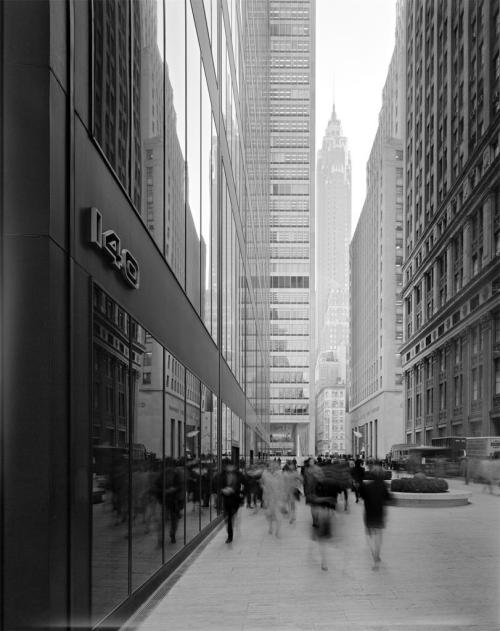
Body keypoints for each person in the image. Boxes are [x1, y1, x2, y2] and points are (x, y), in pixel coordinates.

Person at [359, 465, 392, 570]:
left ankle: (374, 555)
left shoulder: (366, 486)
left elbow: (362, 497)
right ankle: (376, 557)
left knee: (369, 536)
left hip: (369, 514)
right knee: (378, 536)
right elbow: (388, 499)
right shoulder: (383, 486)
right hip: (379, 514)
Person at [220, 460, 243, 543]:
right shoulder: (222, 475)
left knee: (232, 515)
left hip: (235, 499)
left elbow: (244, 484)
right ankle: (230, 536)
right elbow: (217, 485)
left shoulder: (238, 475)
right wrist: (223, 490)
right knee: (228, 518)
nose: (229, 468)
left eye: (231, 466)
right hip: (226, 499)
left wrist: (237, 492)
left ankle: (233, 520)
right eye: (228, 466)